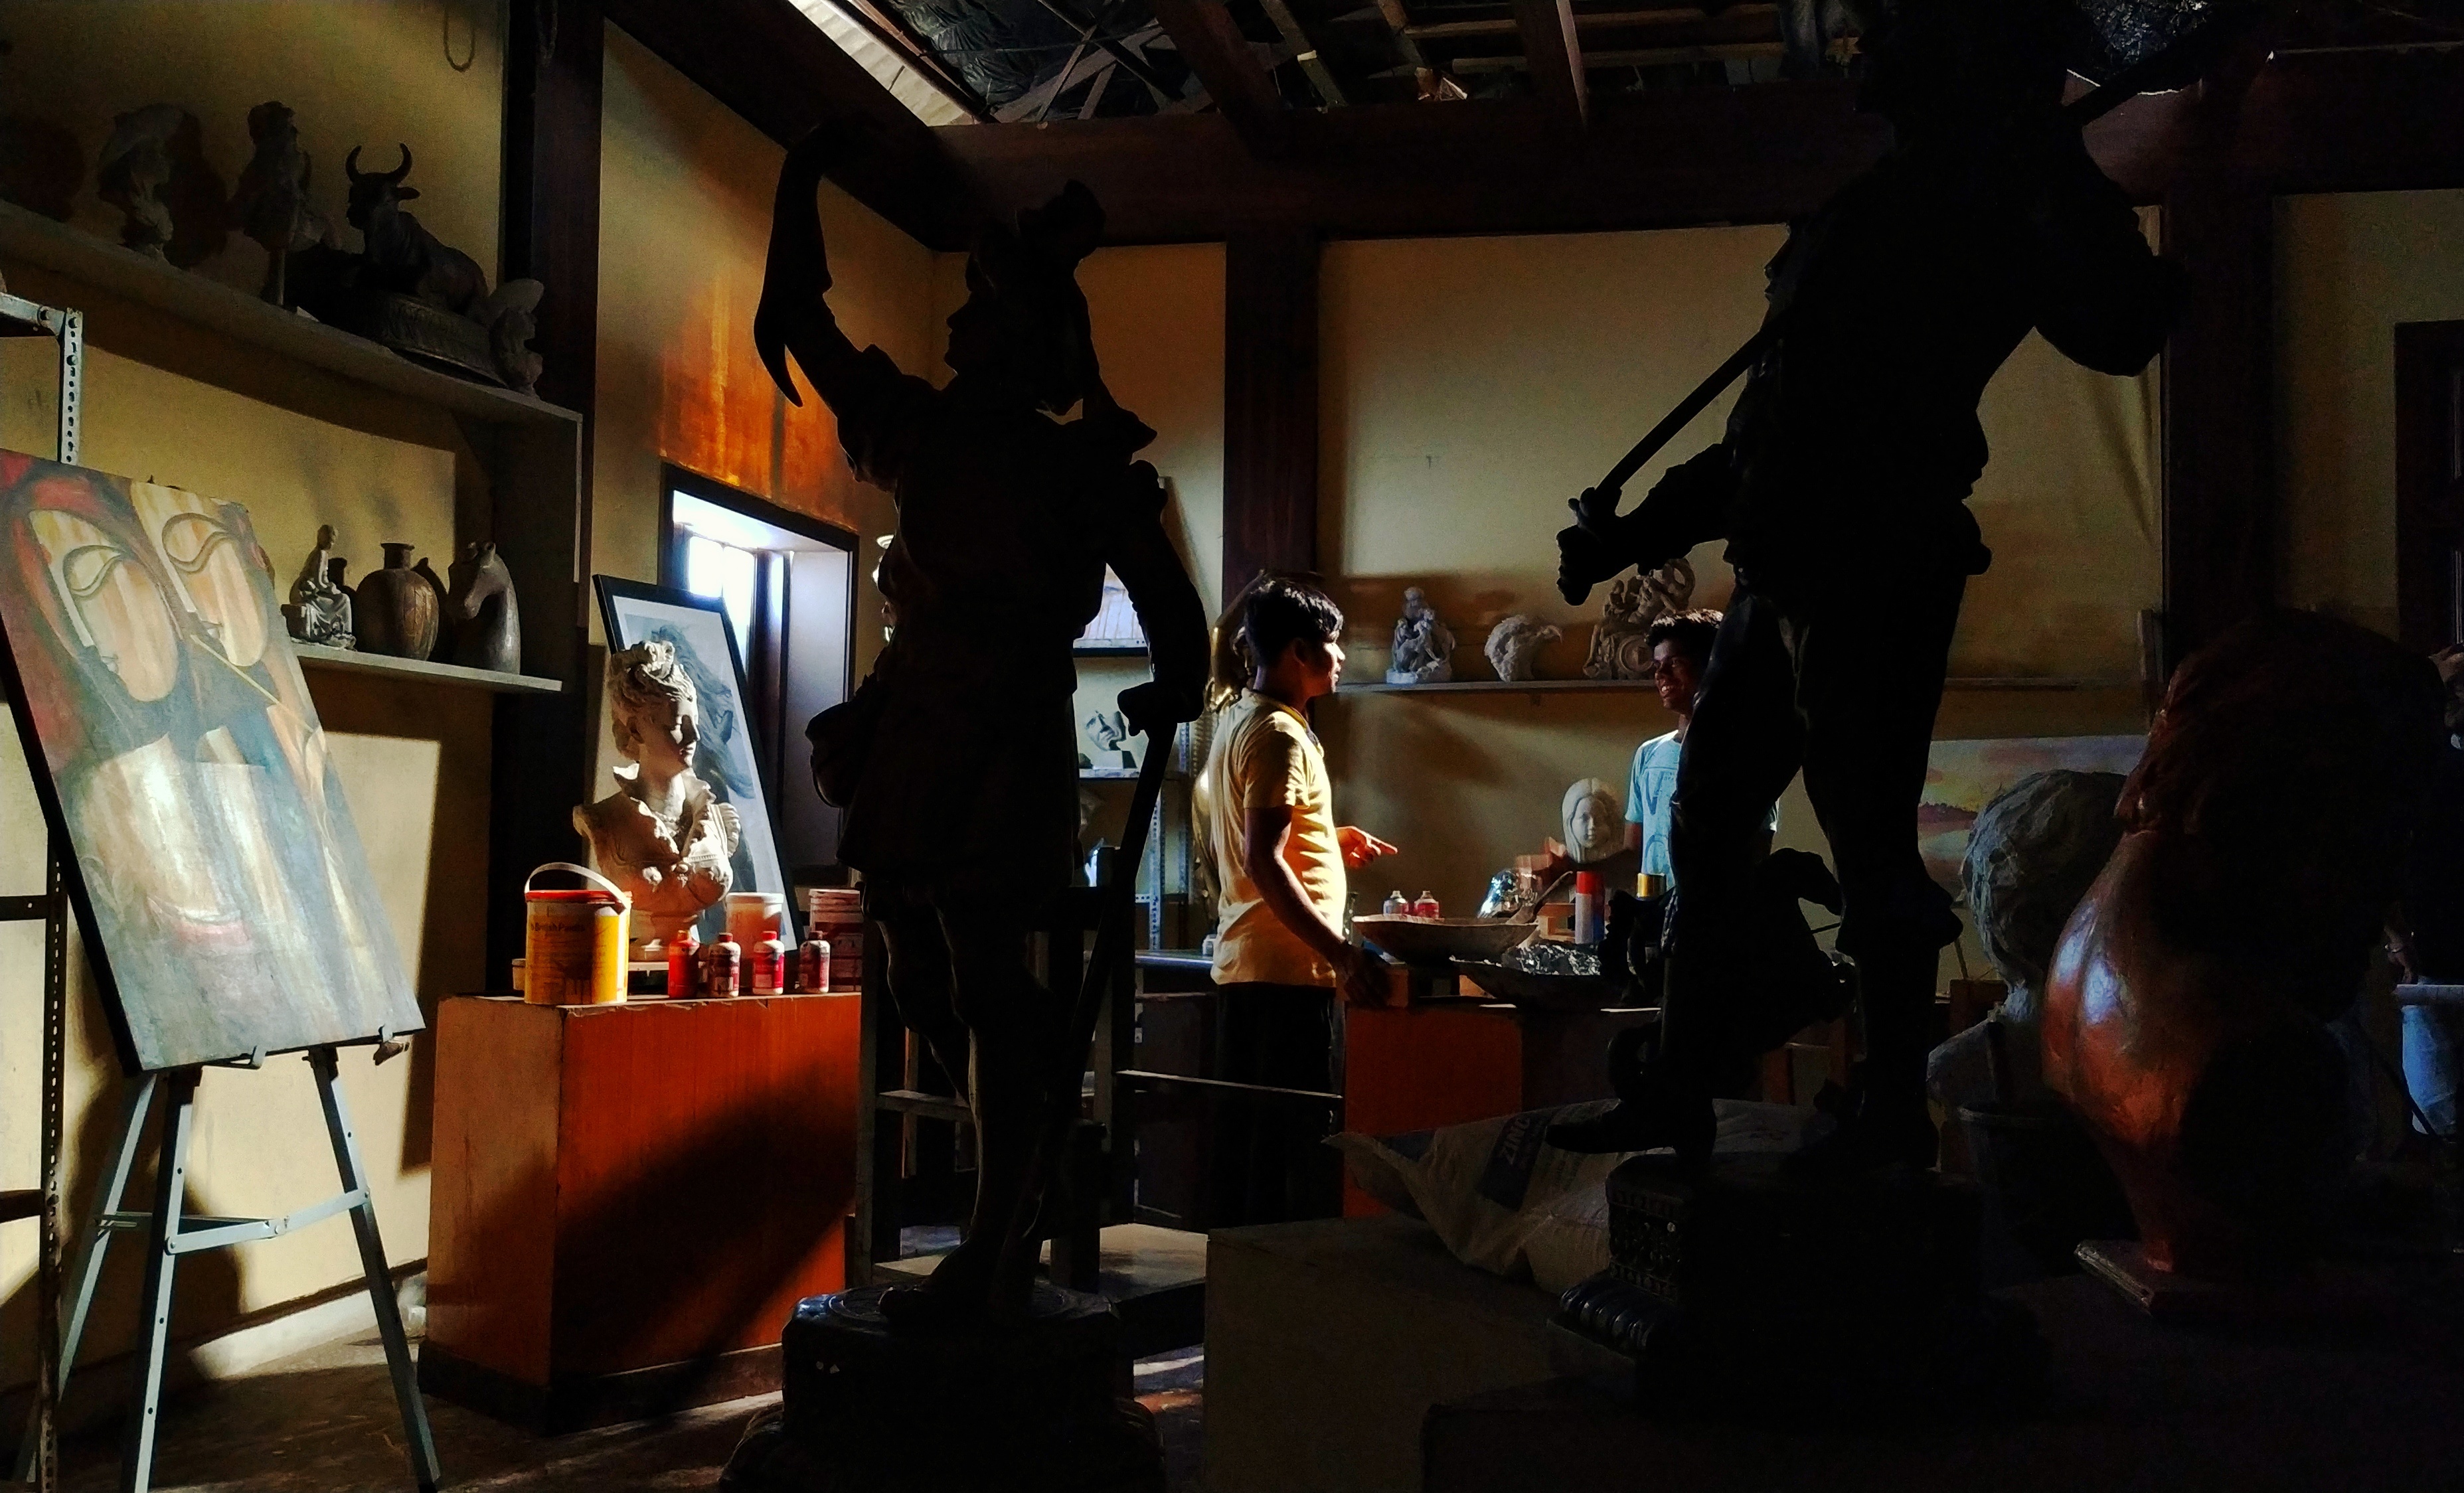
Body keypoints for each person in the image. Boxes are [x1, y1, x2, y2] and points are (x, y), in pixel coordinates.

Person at [1552, 0, 2184, 1170]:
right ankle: (1683, 1084)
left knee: (1868, 843)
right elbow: (1763, 438)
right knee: (1705, 823)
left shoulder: (2006, 183)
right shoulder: (1880, 198)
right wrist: (1631, 532)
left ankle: (1890, 1110)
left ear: (1961, 52)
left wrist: (2054, 174)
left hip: (1874, 565)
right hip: (1776, 567)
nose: (1869, 43)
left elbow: (2126, 326)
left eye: (1899, 24)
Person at [755, 127, 1208, 1322]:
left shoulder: (1071, 469)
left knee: (985, 972)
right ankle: (1018, 1166)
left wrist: (1173, 681)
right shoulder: (924, 430)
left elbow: (1173, 608)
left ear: (1020, 336)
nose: (955, 320)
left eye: (979, 306)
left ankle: (1001, 1223)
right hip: (918, 721)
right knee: (918, 972)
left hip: (1005, 728)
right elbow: (808, 325)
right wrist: (799, 188)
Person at [1203, 576, 1396, 1221]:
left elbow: (1258, 835)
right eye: (1332, 643)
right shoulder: (1279, 736)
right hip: (1284, 973)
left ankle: (1245, 1274)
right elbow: (1262, 858)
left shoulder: (1246, 719)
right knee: (1288, 1161)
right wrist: (1341, 953)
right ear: (1297, 652)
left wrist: (1328, 840)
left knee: (1253, 1152)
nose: (1340, 656)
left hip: (1253, 968)